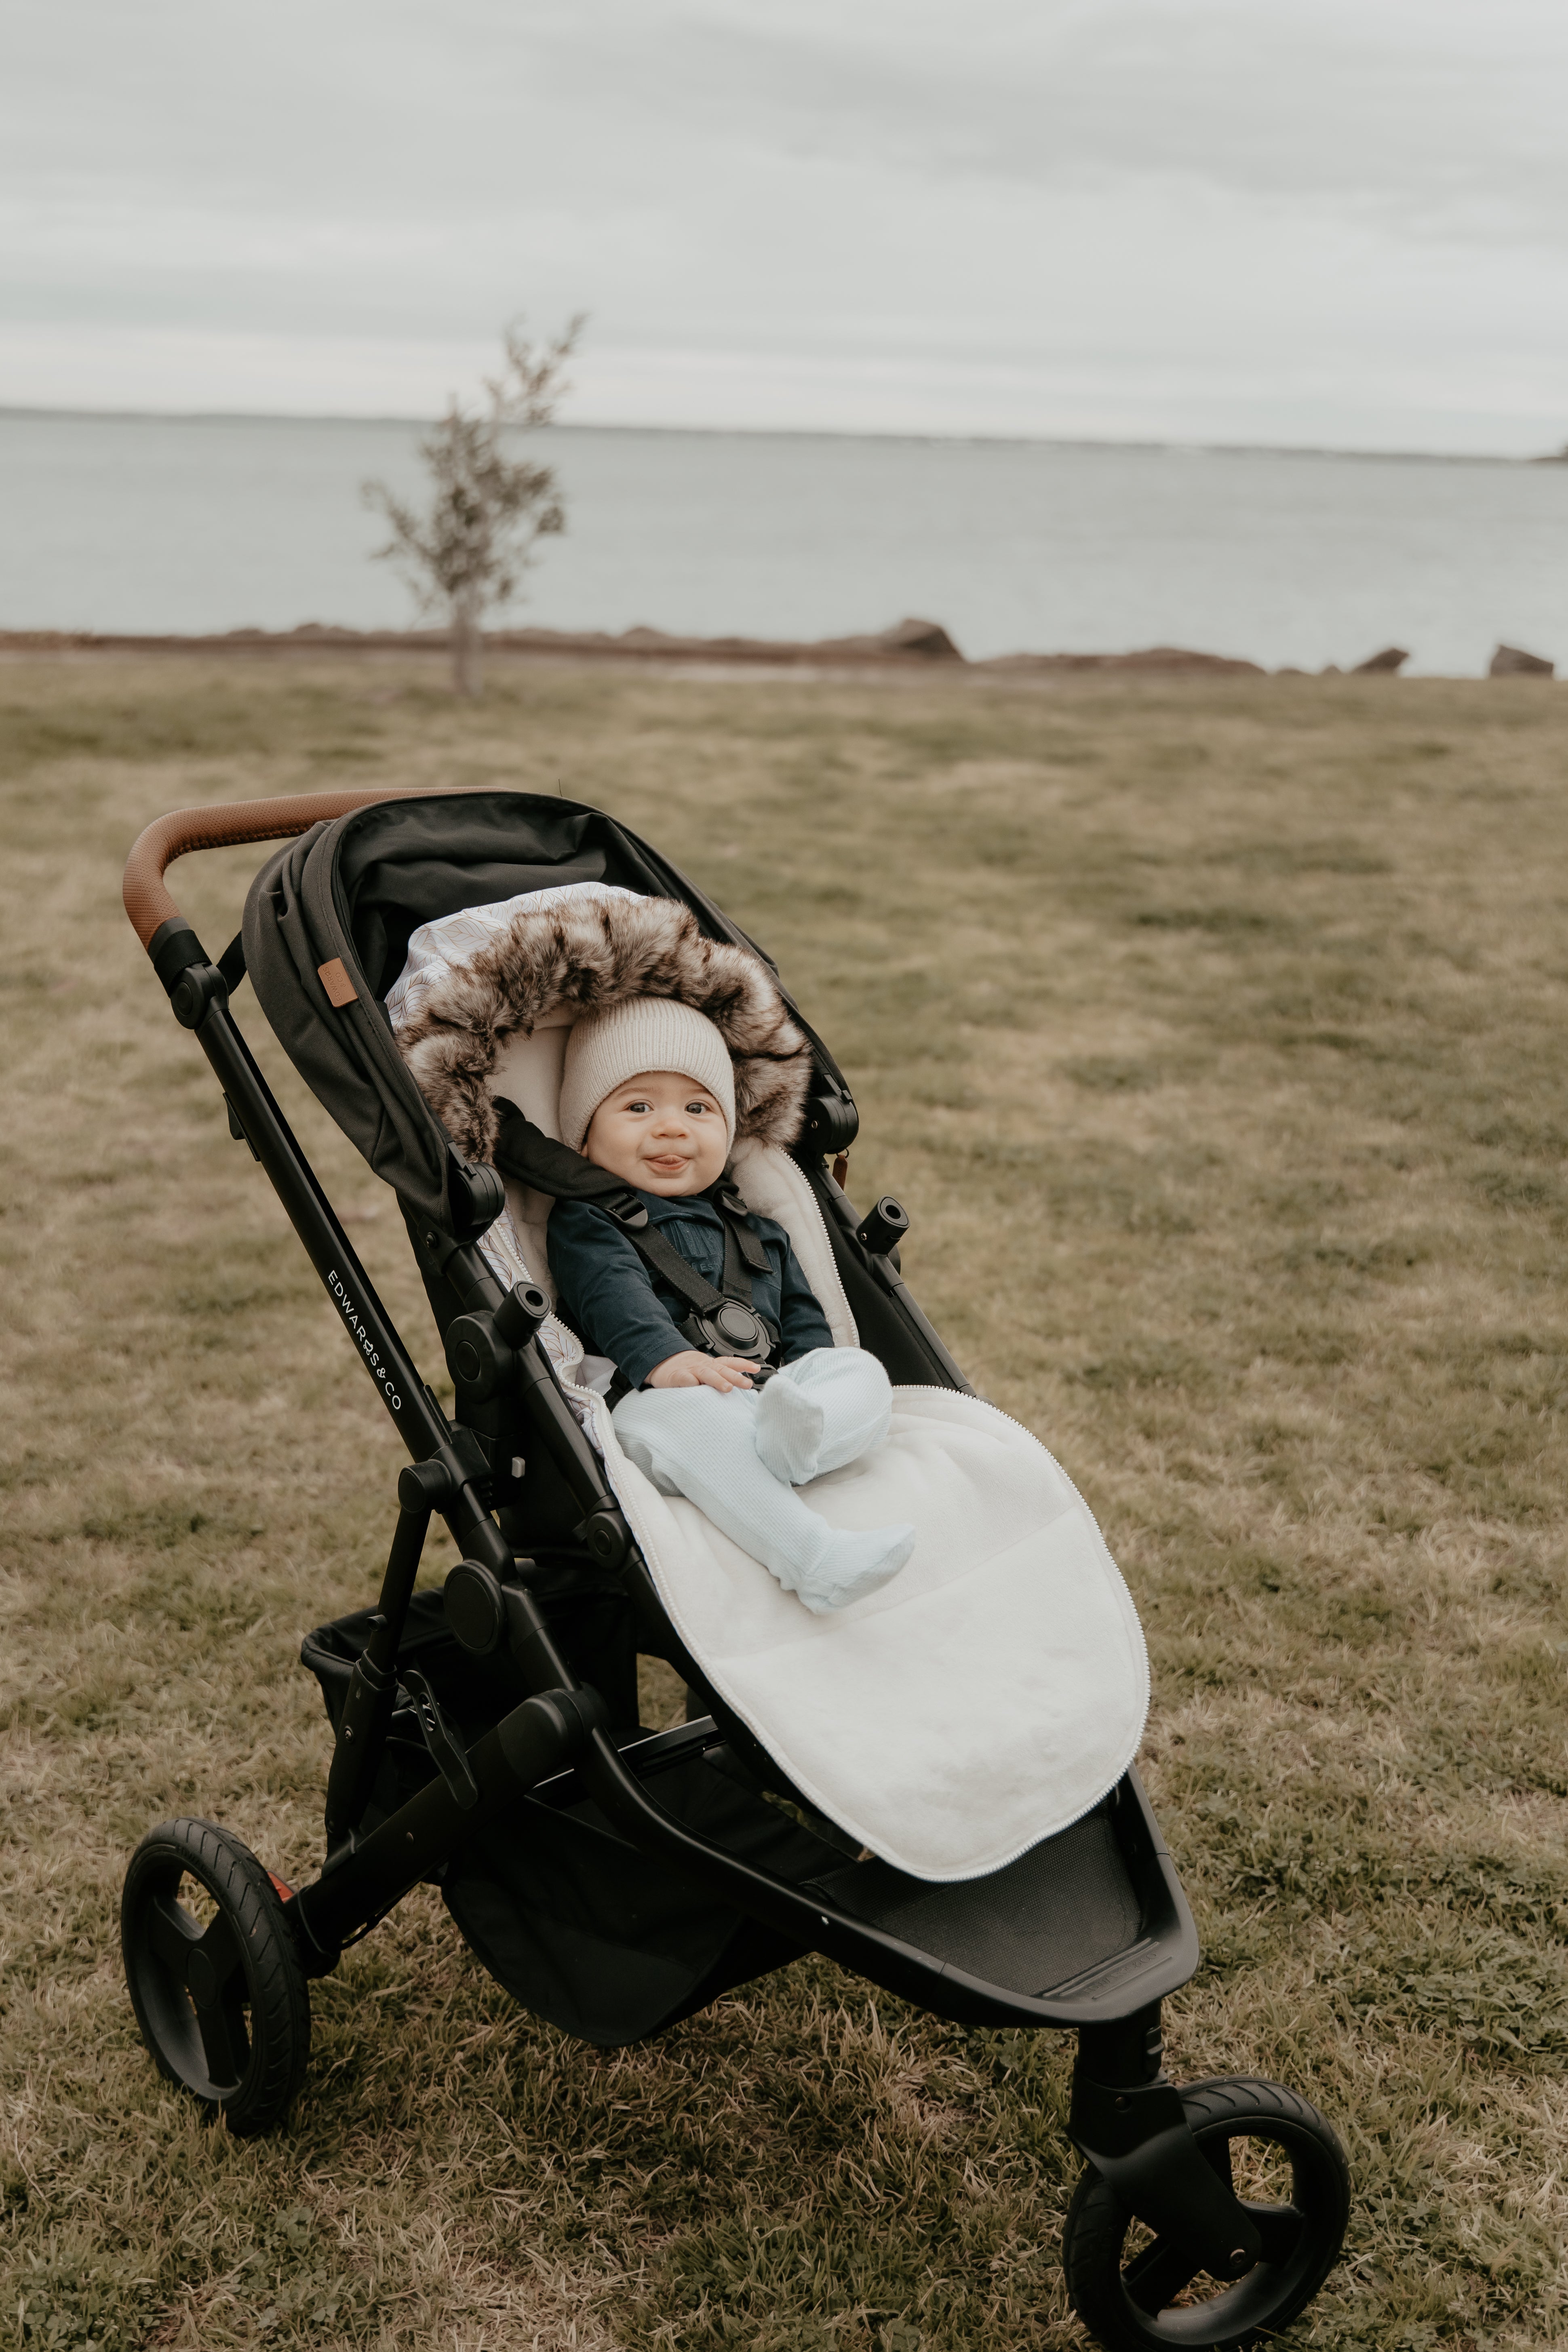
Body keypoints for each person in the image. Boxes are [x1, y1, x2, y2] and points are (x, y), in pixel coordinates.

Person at [546, 997, 915, 1613]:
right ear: (584, 1137)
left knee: (863, 1372)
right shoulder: (588, 1221)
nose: (672, 1128)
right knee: (683, 1416)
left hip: (768, 1403)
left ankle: (801, 1442)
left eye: (698, 1109)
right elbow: (612, 1292)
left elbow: (803, 1319)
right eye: (638, 1108)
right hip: (657, 1402)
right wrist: (666, 1360)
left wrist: (809, 1378)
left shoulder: (757, 1227)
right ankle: (814, 1560)